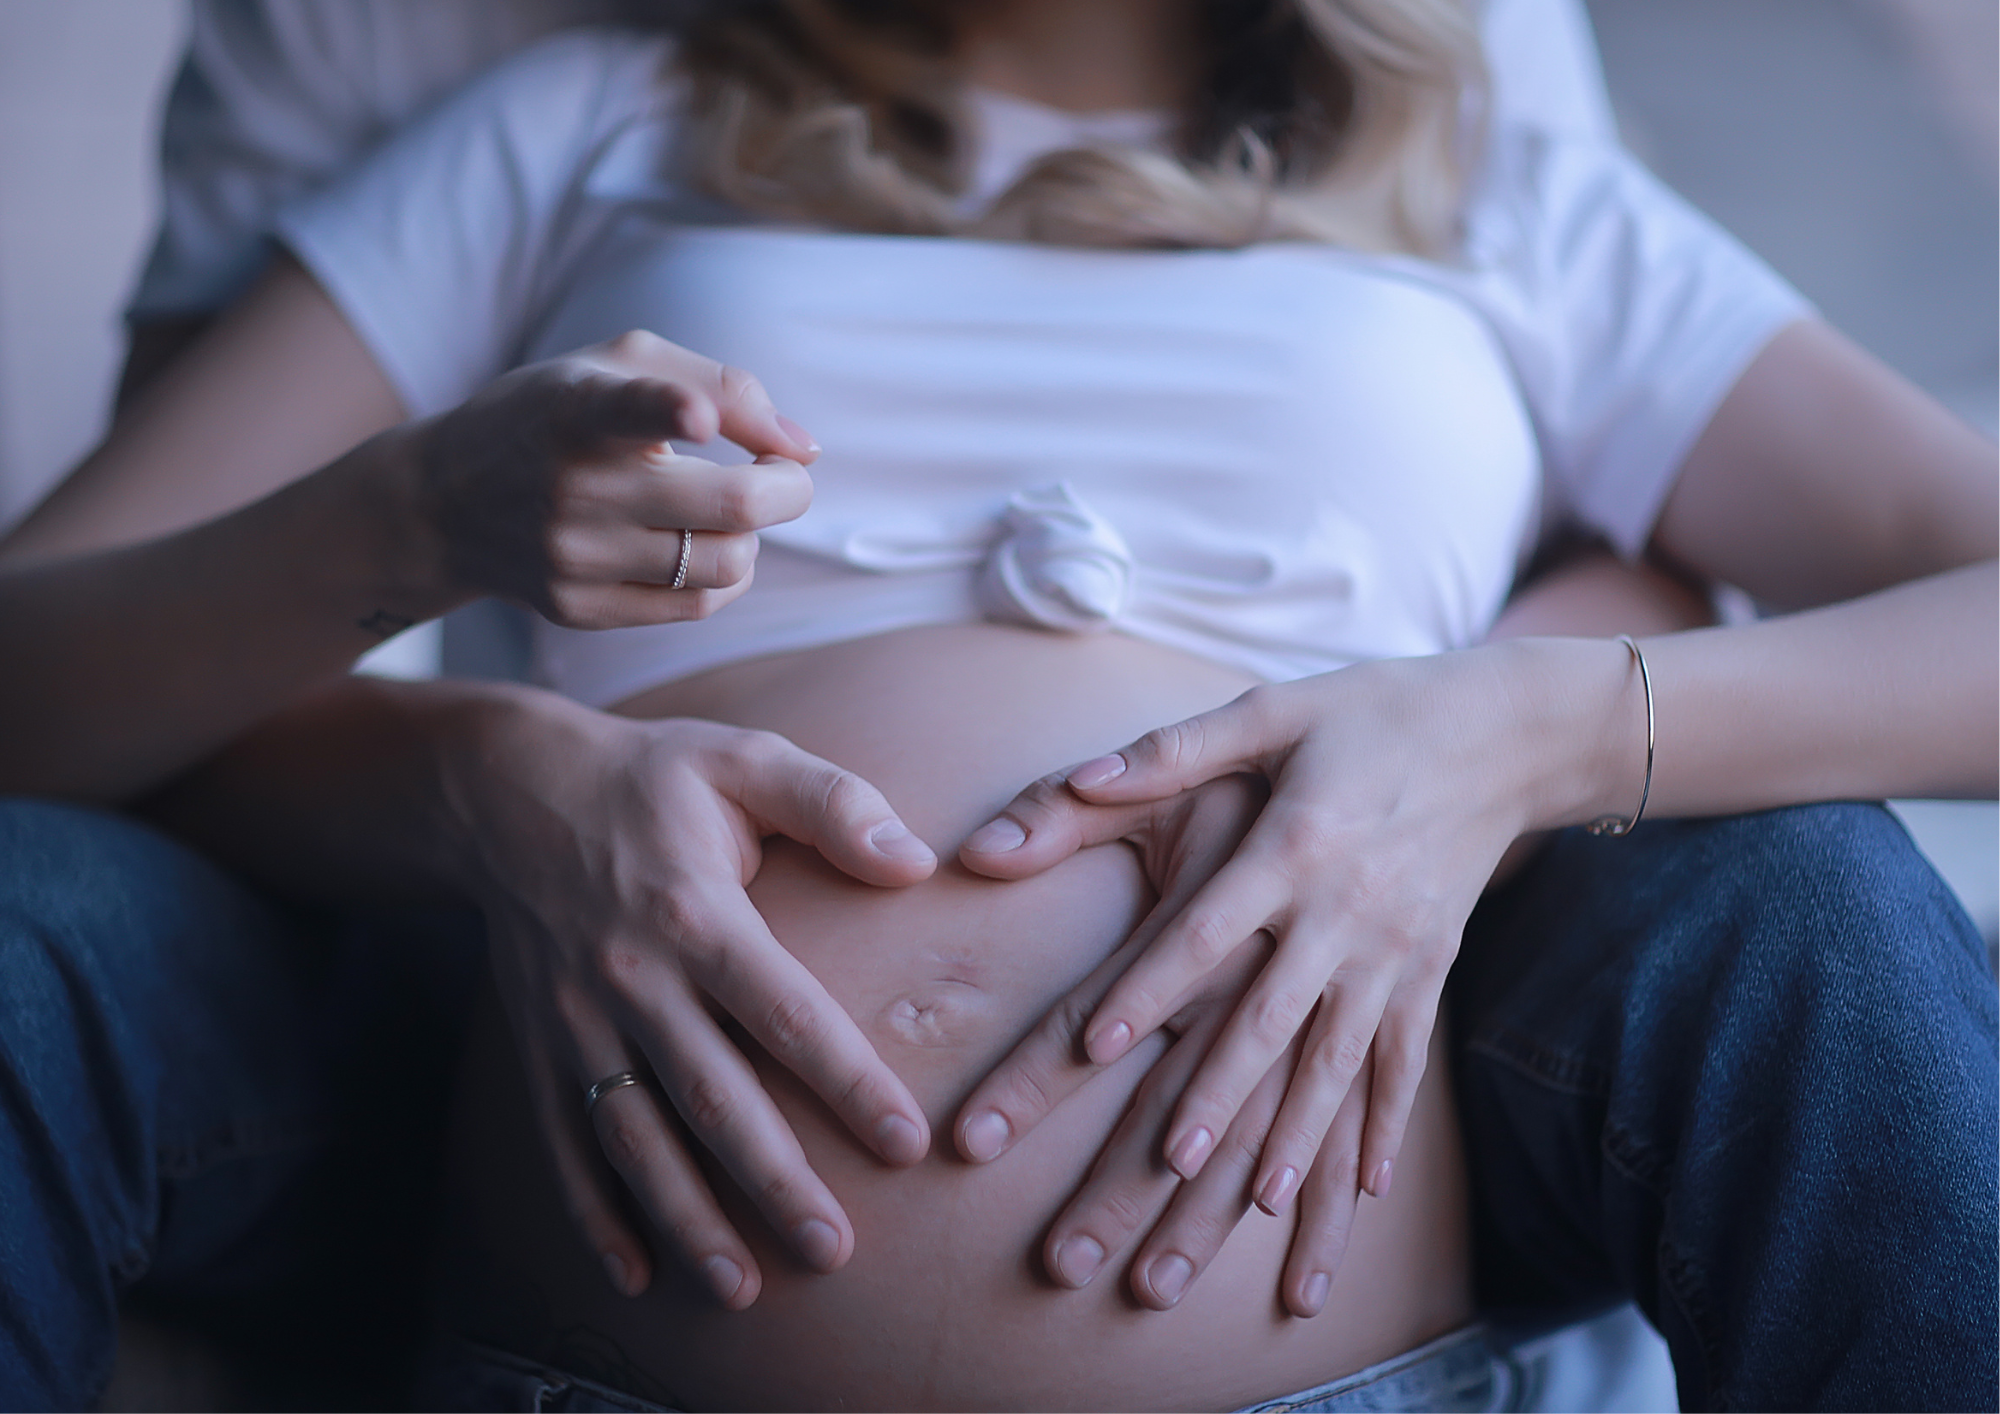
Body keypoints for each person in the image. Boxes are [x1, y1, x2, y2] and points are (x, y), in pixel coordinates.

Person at [0, 0, 1990, 1408]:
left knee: (1820, 886)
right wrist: (426, 534)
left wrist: (1528, 728)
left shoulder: (1504, 203)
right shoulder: (591, 125)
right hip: (598, 1356)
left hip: (1319, 1358)